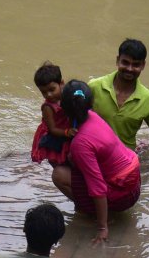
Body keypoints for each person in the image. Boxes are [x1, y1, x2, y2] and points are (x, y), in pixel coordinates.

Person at [51, 80, 141, 244]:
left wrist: (102, 227)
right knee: (74, 161)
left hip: (124, 195)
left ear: (63, 108)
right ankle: (97, 211)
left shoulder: (81, 144)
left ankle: (95, 214)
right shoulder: (93, 116)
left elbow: (97, 188)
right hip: (134, 181)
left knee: (59, 175)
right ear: (90, 104)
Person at [88, 39, 149, 164]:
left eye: (136, 64)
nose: (130, 69)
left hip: (124, 158)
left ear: (143, 65)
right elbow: (77, 117)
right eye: (125, 63)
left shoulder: (147, 98)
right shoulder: (94, 86)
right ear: (117, 60)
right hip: (94, 152)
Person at [30, 62, 76, 166]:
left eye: (52, 90)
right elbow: (52, 129)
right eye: (44, 92)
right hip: (54, 135)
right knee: (58, 161)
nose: (49, 95)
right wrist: (67, 132)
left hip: (65, 130)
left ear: (62, 83)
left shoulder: (67, 95)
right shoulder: (48, 107)